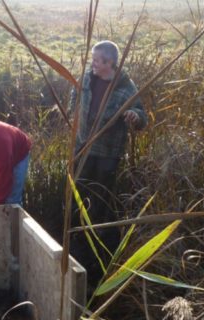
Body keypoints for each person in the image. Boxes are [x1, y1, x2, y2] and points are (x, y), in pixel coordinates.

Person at [69, 40, 147, 285]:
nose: (94, 63)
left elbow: (141, 116)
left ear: (110, 63)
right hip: (84, 144)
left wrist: (135, 117)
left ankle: (97, 234)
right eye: (93, 58)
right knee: (78, 188)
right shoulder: (87, 78)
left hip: (108, 151)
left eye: (99, 60)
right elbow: (75, 97)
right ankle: (75, 230)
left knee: (100, 192)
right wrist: (74, 118)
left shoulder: (125, 87)